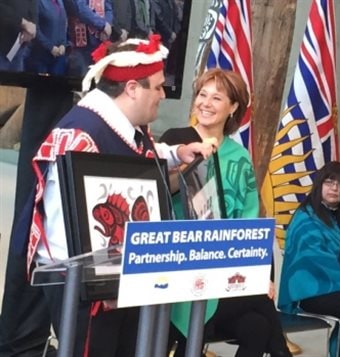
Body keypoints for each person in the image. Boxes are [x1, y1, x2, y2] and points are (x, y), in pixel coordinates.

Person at [12, 35, 212, 357]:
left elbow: (134, 154)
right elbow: (63, 229)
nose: (164, 94)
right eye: (158, 87)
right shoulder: (79, 135)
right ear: (132, 88)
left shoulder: (122, 124)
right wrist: (101, 280)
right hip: (84, 287)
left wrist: (175, 153)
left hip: (120, 280)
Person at [161, 68, 291, 357]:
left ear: (233, 107)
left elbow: (247, 222)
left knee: (256, 326)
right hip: (183, 262)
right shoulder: (177, 141)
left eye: (216, 98)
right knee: (259, 300)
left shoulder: (241, 156)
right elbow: (159, 192)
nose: (205, 103)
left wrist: (254, 271)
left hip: (225, 266)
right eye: (202, 95)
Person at [278, 161, 340, 356]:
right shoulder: (305, 218)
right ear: (319, 184)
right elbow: (314, 261)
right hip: (312, 291)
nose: (335, 188)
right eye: (330, 182)